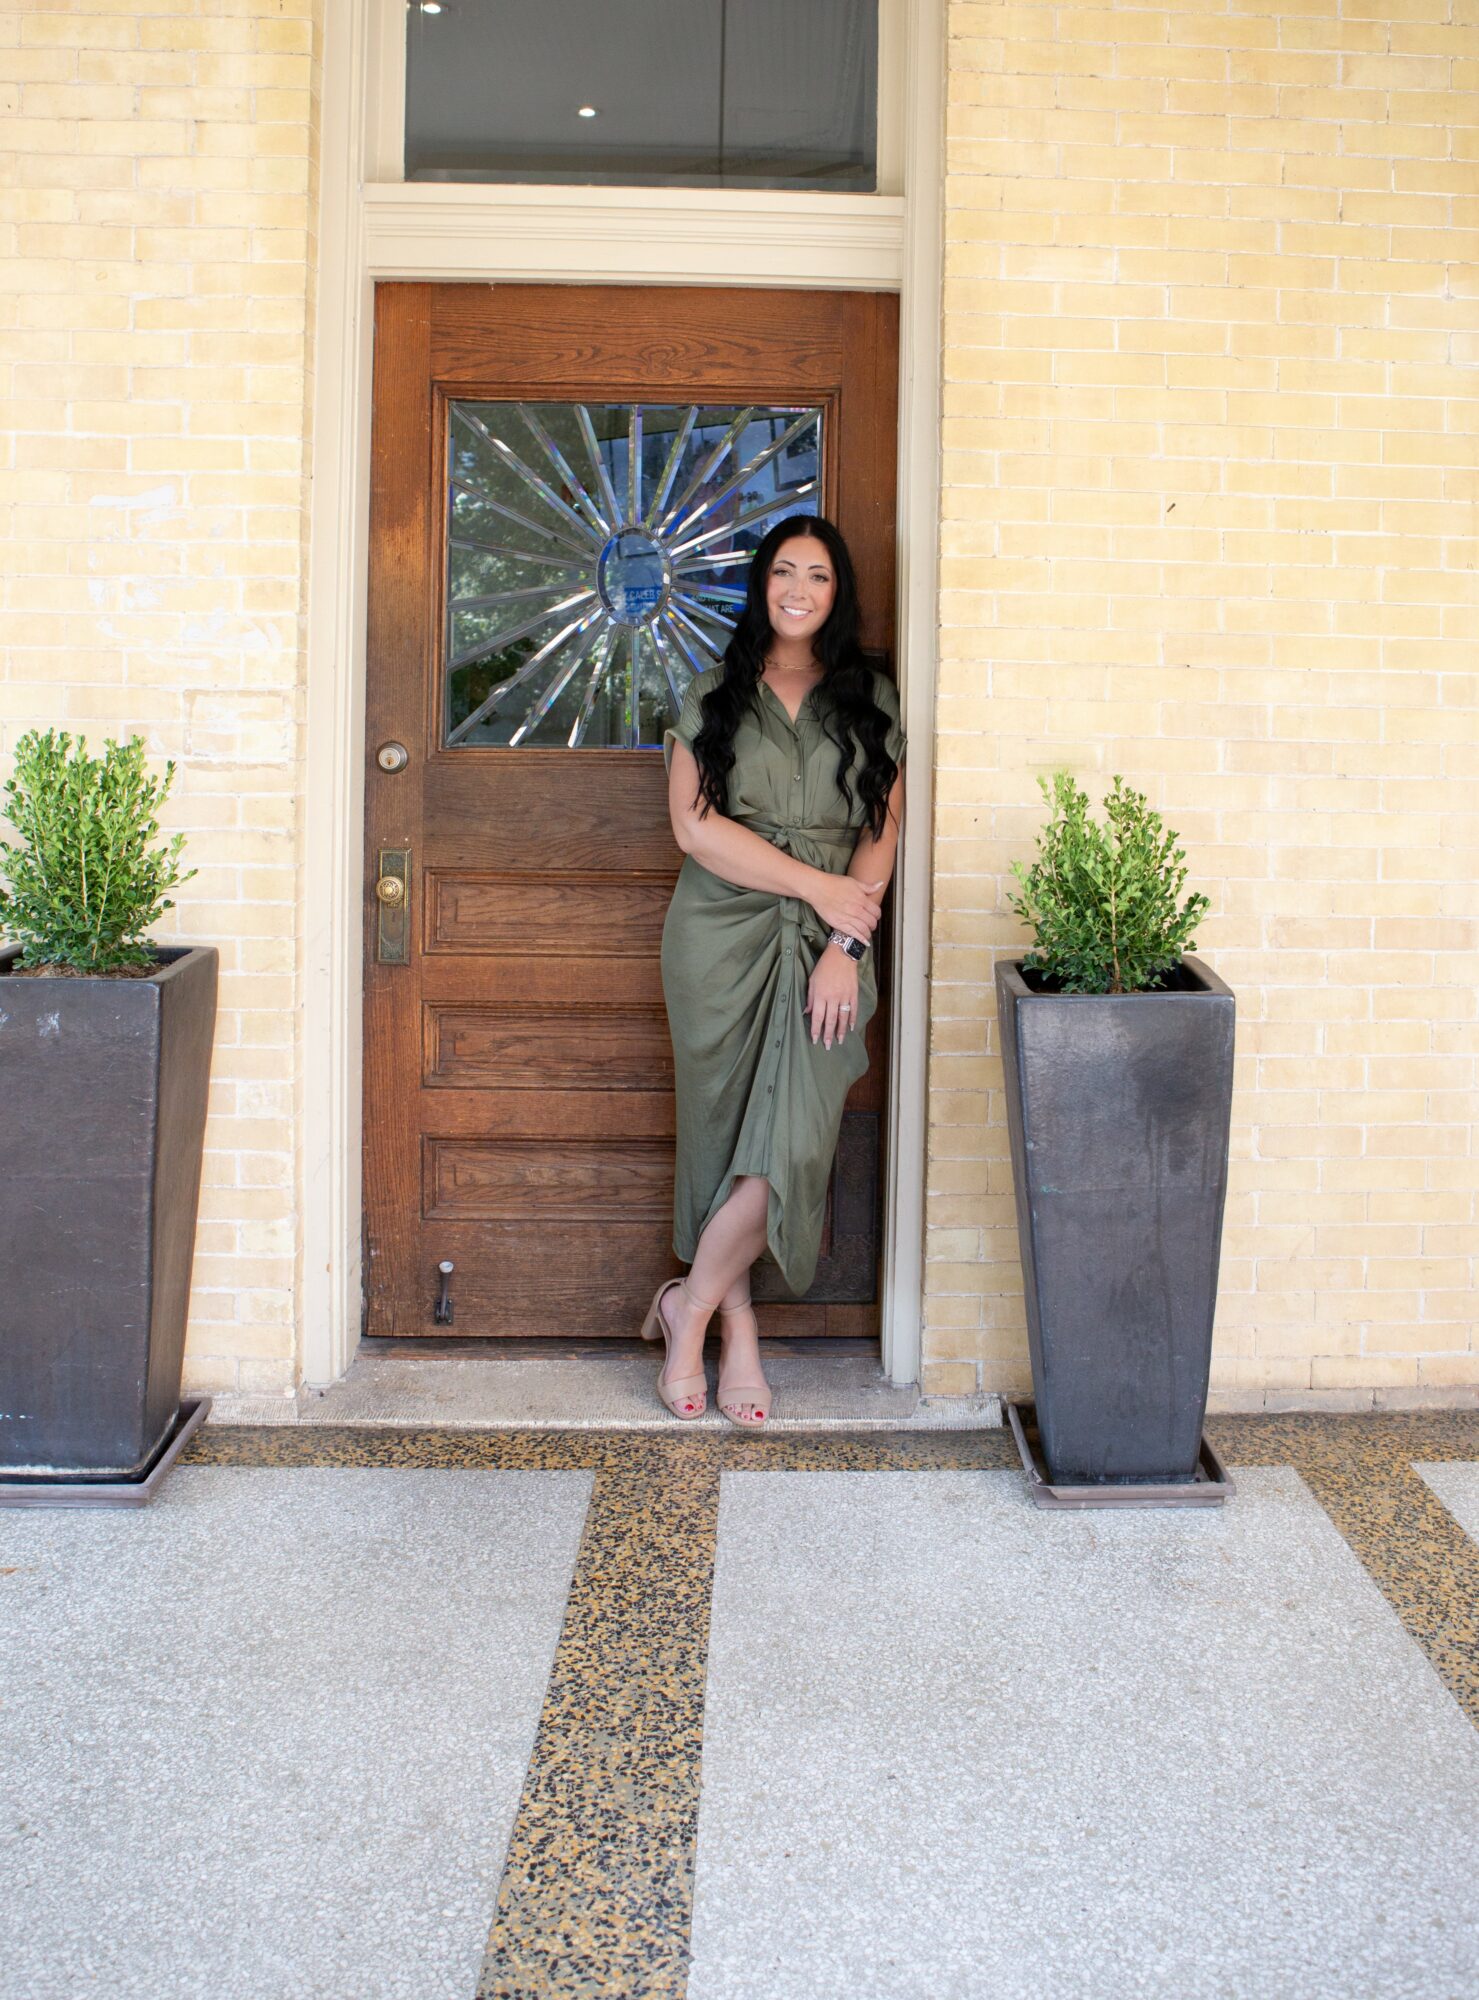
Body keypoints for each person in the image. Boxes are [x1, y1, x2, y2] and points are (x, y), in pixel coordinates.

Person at [642, 514, 906, 1424]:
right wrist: (817, 889)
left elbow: (883, 833)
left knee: (791, 1138)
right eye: (783, 571)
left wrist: (847, 942)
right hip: (718, 937)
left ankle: (689, 1311)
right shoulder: (712, 691)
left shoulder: (869, 697)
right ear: (762, 585)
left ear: (838, 593)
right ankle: (739, 1335)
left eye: (818, 575)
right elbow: (694, 827)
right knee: (721, 1138)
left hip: (833, 948)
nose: (798, 588)